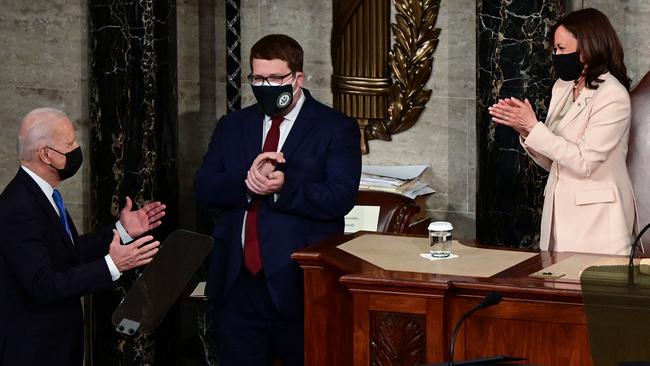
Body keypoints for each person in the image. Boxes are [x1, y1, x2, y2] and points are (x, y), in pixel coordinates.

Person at [195, 34, 361, 365]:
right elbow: (204, 187)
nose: (265, 85)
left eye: (275, 78)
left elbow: (340, 197)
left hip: (299, 283)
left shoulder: (335, 127)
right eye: (257, 78)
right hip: (237, 283)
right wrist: (248, 183)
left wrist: (284, 186)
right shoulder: (233, 125)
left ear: (298, 79)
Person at [0, 108, 166, 366]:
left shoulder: (42, 193)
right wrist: (113, 265)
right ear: (46, 154)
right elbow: (43, 285)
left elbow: (68, 252)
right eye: (69, 144)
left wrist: (122, 231)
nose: (77, 148)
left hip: (59, 347)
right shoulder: (18, 205)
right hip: (37, 352)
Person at [488, 8, 637, 255]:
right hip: (559, 219)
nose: (556, 56)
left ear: (589, 46)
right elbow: (555, 161)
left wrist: (535, 127)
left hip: (598, 225)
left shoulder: (613, 96)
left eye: (562, 48)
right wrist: (526, 130)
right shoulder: (563, 87)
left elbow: (583, 162)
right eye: (555, 50)